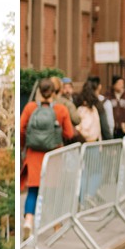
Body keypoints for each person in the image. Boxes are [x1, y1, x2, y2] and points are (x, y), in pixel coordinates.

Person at [20, 78, 75, 236]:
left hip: (33, 155)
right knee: (53, 191)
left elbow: (21, 129)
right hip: (53, 156)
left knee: (33, 191)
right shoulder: (61, 110)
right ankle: (56, 224)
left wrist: (26, 145)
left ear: (39, 92)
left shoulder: (30, 108)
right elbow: (69, 133)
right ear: (54, 92)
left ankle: (29, 221)